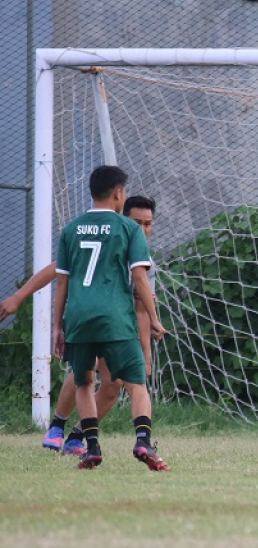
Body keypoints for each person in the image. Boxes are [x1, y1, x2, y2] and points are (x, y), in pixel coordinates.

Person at [8, 195, 158, 456]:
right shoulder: (108, 241)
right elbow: (55, 270)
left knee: (113, 386)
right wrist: (19, 297)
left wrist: (146, 352)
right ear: (123, 218)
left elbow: (141, 309)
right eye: (138, 222)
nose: (143, 230)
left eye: (148, 224)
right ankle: (57, 425)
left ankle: (78, 435)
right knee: (85, 373)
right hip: (93, 320)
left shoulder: (141, 259)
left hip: (120, 326)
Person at [52, 165, 168, 470]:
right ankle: (143, 441)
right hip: (116, 316)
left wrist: (57, 326)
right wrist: (155, 318)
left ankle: (91, 447)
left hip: (78, 317)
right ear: (118, 194)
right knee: (137, 382)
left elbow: (62, 282)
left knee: (84, 383)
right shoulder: (128, 229)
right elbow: (140, 278)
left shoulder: (70, 230)